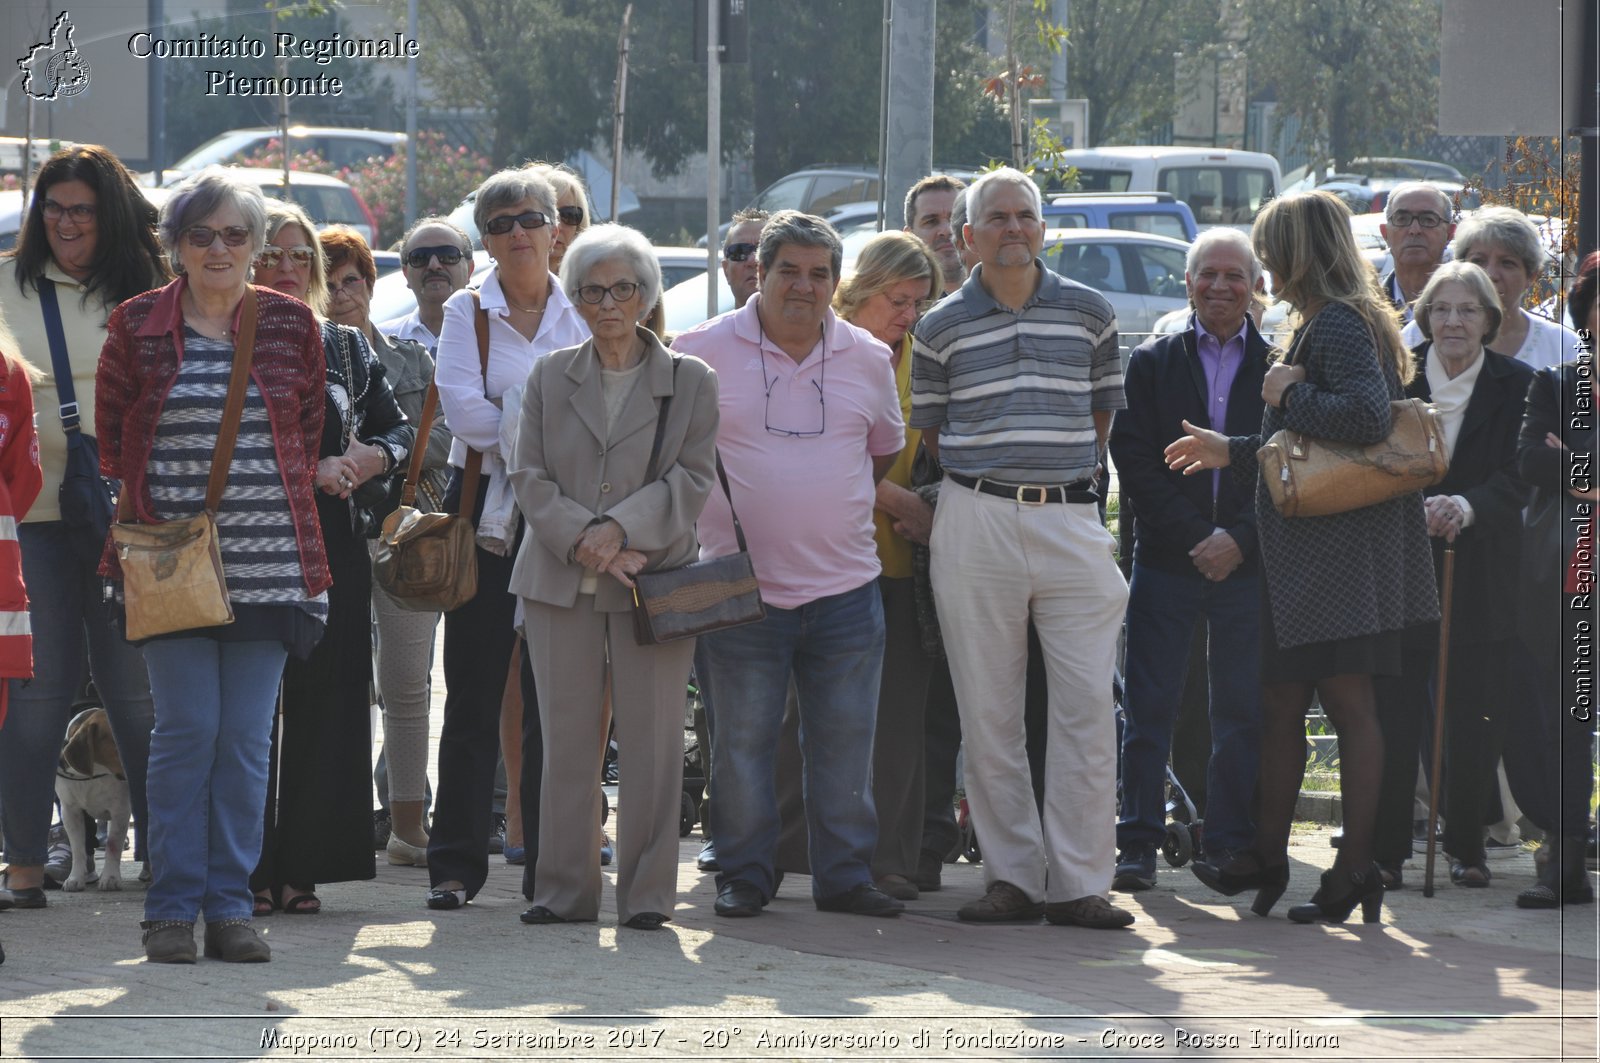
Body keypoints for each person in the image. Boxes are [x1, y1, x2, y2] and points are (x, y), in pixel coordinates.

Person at [1168, 190, 1440, 925]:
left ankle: (1355, 866)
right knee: (1282, 702)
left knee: (1349, 706)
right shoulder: (1333, 320)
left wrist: (1288, 392)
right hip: (1315, 557)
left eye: (1269, 249)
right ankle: (1266, 852)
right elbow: (1318, 453)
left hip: (1340, 557)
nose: (1262, 266)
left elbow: (1362, 420)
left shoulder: (1342, 323)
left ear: (1299, 252)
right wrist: (1237, 448)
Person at [96, 167, 329, 963]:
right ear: (176, 248)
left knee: (244, 740)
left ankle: (231, 905)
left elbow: (306, 427)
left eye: (235, 233)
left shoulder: (296, 326)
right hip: (169, 568)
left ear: (259, 246)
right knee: (186, 730)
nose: (220, 247)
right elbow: (114, 439)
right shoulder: (134, 326)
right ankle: (169, 906)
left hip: (270, 568)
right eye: (202, 234)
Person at [911, 167, 1133, 930]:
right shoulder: (937, 325)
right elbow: (934, 436)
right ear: (967, 236)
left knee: (1086, 709)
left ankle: (1079, 882)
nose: (1013, 228)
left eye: (1025, 216)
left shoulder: (1092, 312)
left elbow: (1103, 417)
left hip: (1071, 519)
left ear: (1043, 229)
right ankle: (1012, 879)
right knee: (989, 709)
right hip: (976, 516)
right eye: (996, 218)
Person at [672, 210, 906, 919]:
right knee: (740, 747)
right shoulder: (698, 351)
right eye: (789, 271)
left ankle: (844, 877)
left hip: (847, 589)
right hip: (739, 590)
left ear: (835, 282)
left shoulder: (869, 357)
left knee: (844, 745)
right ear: (759, 273)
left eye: (819, 274)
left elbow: (883, 450)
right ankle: (745, 873)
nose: (803, 286)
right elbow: (673, 456)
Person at [508, 224, 719, 929]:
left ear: (647, 295)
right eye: (592, 291)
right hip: (559, 580)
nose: (608, 304)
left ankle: (648, 896)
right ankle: (564, 891)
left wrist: (622, 530)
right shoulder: (548, 374)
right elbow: (527, 476)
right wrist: (588, 541)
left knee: (655, 743)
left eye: (622, 288)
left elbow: (693, 477)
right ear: (575, 299)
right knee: (566, 740)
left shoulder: (691, 381)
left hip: (651, 579)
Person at [0, 145, 167, 907]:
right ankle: (26, 864)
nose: (66, 223)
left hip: (131, 515)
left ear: (113, 217)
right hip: (28, 515)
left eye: (83, 210)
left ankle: (168, 861)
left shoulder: (152, 286)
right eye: (53, 208)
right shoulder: (6, 281)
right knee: (37, 693)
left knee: (137, 693)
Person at [426, 168, 588, 911]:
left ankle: (551, 871)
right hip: (487, 522)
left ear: (558, 226)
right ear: (484, 239)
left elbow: (604, 406)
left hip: (564, 521)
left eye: (531, 217)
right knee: (473, 697)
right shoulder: (468, 312)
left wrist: (531, 443)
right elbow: (464, 414)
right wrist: (546, 448)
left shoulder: (586, 302)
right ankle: (455, 865)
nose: (518, 232)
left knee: (557, 699)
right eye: (499, 223)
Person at [247, 204, 411, 917]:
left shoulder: (344, 344)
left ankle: (304, 866)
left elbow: (399, 429)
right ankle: (243, 866)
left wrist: (366, 457)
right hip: (245, 542)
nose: (287, 269)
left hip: (332, 541)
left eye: (301, 257)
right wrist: (306, 467)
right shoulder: (224, 338)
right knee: (247, 712)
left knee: (328, 699)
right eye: (271, 255)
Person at [1365, 261, 1535, 893]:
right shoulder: (1394, 378)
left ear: (1489, 320)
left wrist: (1466, 507)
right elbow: (1370, 459)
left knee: (1472, 712)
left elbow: (1521, 472)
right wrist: (1417, 507)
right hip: (1401, 567)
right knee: (1396, 707)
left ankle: (1469, 845)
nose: (1454, 321)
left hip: (1482, 569)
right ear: (1424, 317)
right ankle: (1386, 852)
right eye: (1441, 309)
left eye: (1468, 310)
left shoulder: (1518, 384)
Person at [1108, 228, 1270, 891]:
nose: (1220, 286)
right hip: (1169, 562)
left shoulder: (1283, 367)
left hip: (1247, 562)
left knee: (1239, 709)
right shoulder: (1152, 362)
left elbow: (1289, 464)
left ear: (1256, 286)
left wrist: (1238, 538)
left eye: (1235, 274)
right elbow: (1135, 461)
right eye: (1207, 273)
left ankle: (1228, 843)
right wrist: (1193, 537)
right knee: (1149, 707)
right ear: (1187, 283)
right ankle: (1137, 843)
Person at [323, 225, 448, 868]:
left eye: (353, 281)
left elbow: (445, 445)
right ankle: (325, 817)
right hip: (332, 534)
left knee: (407, 685)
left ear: (372, 287)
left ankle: (409, 827)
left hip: (403, 533)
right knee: (333, 682)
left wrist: (384, 460)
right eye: (331, 281)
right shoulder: (309, 359)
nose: (342, 294)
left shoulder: (408, 359)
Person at [1507, 250, 1597, 908]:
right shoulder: (1557, 383)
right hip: (1571, 575)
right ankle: (1563, 859)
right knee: (1567, 715)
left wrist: (1576, 462)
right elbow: (1528, 458)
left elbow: (1557, 458)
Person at [1406, 206, 1580, 371]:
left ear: (1531, 276)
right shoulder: (1420, 335)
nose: (1490, 274)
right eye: (1478, 261)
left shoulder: (1563, 347)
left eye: (1507, 263)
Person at [380, 216, 475, 350]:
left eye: (448, 255)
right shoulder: (382, 341)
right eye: (420, 257)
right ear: (406, 274)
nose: (434, 265)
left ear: (470, 270)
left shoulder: (497, 334)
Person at [1378, 182, 1456, 321]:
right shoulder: (1369, 310)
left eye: (1428, 220)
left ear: (1450, 233)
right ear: (1385, 234)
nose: (1414, 230)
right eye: (1402, 219)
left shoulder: (1466, 308)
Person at [903, 175, 966, 295]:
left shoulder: (1006, 298)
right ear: (909, 237)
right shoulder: (899, 309)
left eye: (955, 219)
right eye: (931, 221)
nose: (947, 230)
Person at [722, 209, 767, 310]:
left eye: (763, 249)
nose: (752, 261)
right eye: (739, 252)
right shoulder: (713, 326)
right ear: (726, 271)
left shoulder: (806, 325)